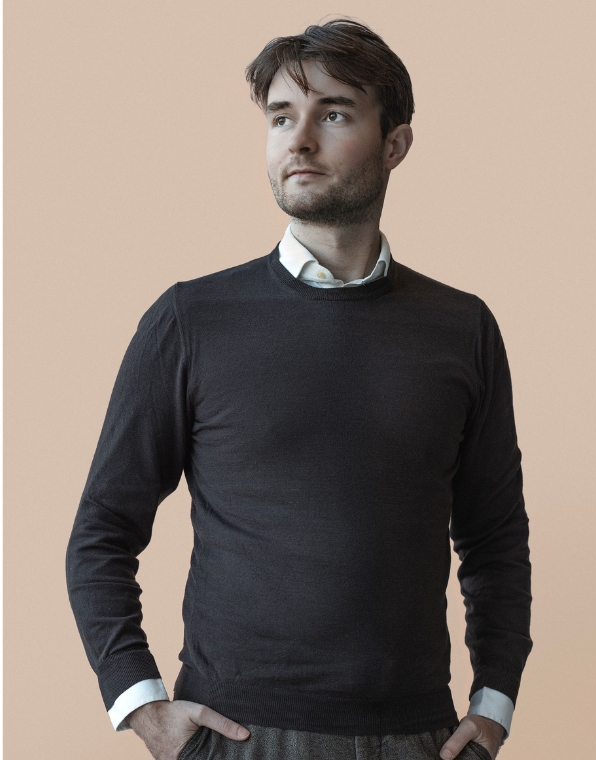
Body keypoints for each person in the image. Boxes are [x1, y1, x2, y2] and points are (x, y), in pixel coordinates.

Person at [66, 18, 532, 760]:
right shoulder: (192, 320)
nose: (299, 141)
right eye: (282, 117)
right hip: (239, 736)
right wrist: (140, 704)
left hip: (420, 736)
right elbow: (102, 529)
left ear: (396, 144)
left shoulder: (461, 327)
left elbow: (495, 537)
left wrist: (495, 703)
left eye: (334, 114)